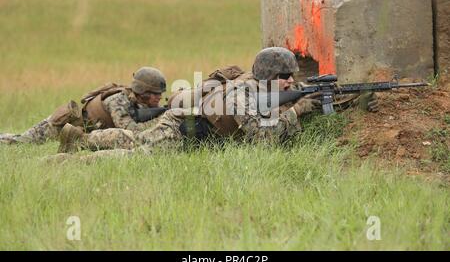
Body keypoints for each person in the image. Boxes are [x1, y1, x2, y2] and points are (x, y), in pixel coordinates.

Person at [55, 47, 378, 159]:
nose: (291, 83)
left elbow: (303, 93)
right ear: (268, 75)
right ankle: (73, 158)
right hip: (182, 131)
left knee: (133, 139)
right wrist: (298, 110)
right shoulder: (242, 94)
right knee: (135, 155)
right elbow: (262, 137)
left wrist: (352, 98)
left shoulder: (267, 87)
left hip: (191, 128)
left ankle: (82, 139)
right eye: (285, 77)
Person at [0, 67, 167, 147]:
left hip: (80, 134)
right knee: (19, 142)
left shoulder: (137, 101)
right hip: (60, 128)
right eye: (155, 93)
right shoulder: (118, 101)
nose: (159, 97)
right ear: (142, 91)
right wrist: (162, 120)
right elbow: (132, 132)